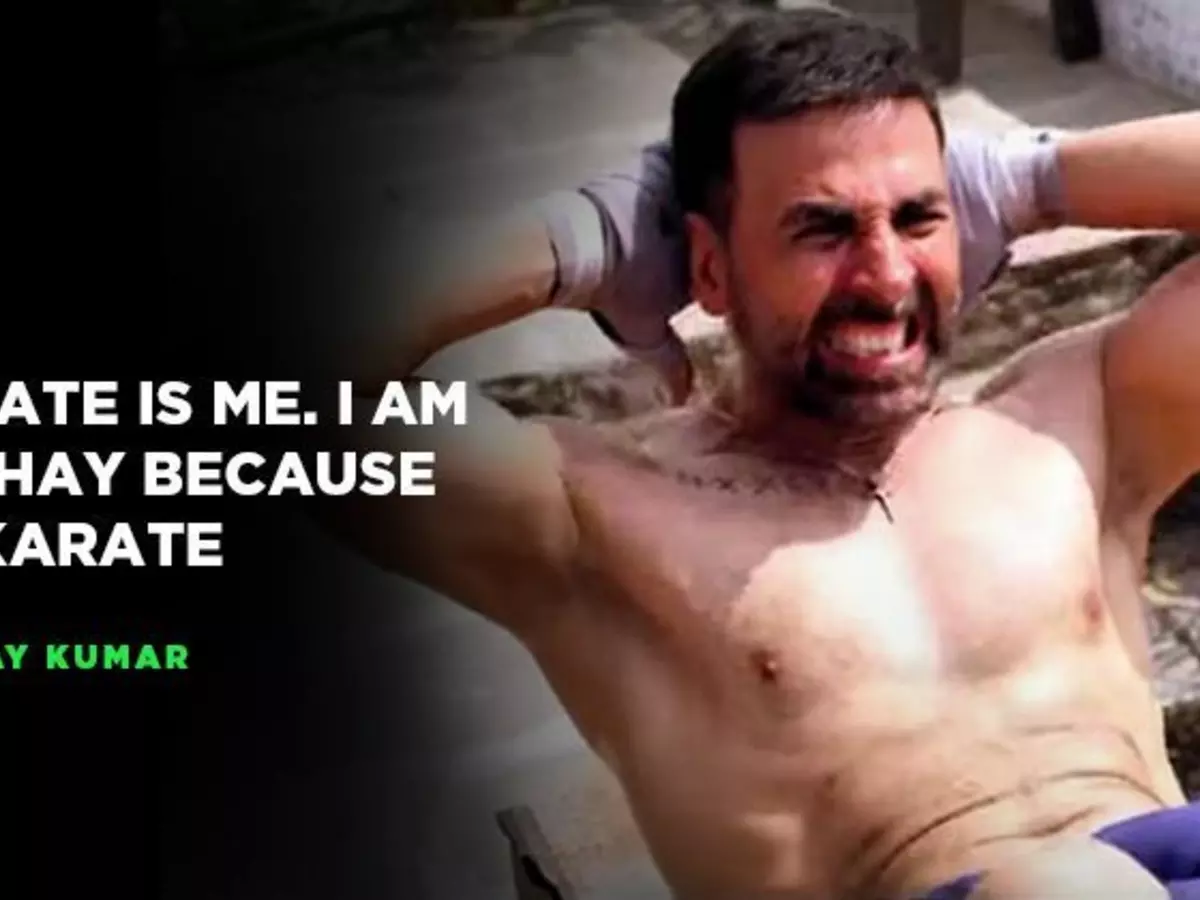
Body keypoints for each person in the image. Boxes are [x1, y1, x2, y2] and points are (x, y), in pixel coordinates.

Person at [318, 9, 1200, 900]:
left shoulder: (1074, 418)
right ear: (708, 266)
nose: (886, 277)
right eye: (824, 229)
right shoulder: (598, 516)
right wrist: (576, 241)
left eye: (919, 217)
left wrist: (1029, 179)